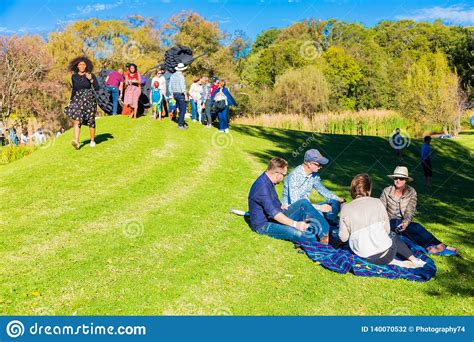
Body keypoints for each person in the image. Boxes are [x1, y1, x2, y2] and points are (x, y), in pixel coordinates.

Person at [339, 173, 426, 268]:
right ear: (369, 189)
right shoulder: (378, 202)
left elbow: (343, 238)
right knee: (393, 235)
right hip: (386, 254)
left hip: (363, 256)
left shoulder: (345, 208)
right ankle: (414, 259)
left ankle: (396, 262)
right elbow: (387, 230)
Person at [248, 157, 330, 244]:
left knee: (303, 202)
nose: (284, 178)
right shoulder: (262, 187)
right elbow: (275, 215)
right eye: (284, 175)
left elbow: (268, 204)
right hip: (264, 225)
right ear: (277, 174)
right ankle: (320, 238)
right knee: (300, 234)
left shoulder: (267, 179)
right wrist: (295, 224)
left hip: (276, 215)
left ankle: (325, 234)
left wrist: (280, 206)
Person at [380, 166, 458, 256]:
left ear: (406, 180)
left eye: (401, 178)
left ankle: (433, 246)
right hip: (388, 221)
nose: (398, 180)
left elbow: (410, 210)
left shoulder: (411, 192)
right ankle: (436, 246)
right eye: (396, 178)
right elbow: (380, 209)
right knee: (409, 228)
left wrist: (405, 223)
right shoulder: (387, 191)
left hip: (403, 221)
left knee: (415, 227)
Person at [282, 149, 345, 224]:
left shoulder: (314, 175)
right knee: (321, 215)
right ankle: (329, 221)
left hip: (308, 207)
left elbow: (322, 189)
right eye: (319, 164)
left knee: (334, 202)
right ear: (309, 164)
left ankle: (329, 220)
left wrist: (339, 199)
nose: (321, 167)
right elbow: (297, 203)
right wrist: (320, 208)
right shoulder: (295, 176)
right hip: (293, 211)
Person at [65, 56, 99, 149]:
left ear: (86, 66)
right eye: (80, 64)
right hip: (78, 99)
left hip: (89, 99)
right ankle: (76, 140)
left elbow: (97, 87)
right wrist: (70, 101)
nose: (82, 66)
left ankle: (92, 140)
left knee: (91, 120)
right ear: (77, 66)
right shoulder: (74, 76)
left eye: (84, 64)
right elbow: (74, 89)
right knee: (77, 119)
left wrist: (90, 79)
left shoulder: (90, 75)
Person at [169, 63, 189, 130]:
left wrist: (172, 95)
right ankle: (180, 125)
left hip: (175, 94)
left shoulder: (172, 76)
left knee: (180, 109)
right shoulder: (181, 76)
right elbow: (182, 87)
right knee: (182, 110)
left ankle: (183, 123)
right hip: (180, 94)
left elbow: (170, 86)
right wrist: (186, 95)